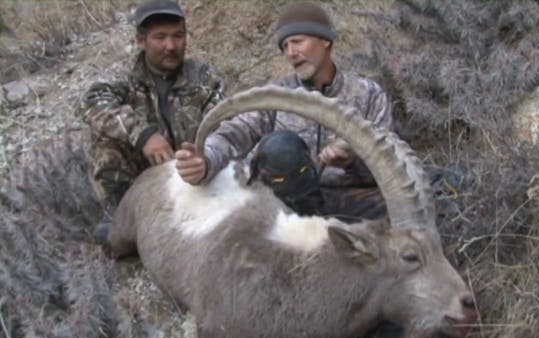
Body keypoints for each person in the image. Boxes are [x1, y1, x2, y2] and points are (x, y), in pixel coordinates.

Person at [175, 1, 394, 220]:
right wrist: (205, 160)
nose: (291, 52)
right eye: (285, 46)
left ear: (325, 40)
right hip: (287, 204)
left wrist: (351, 162)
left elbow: (389, 167)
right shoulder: (277, 96)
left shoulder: (369, 95)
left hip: (346, 198)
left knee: (422, 193)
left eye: (297, 42)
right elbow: (233, 133)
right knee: (282, 147)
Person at [78, 0, 225, 240]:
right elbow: (92, 103)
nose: (171, 46)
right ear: (140, 40)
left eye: (178, 36)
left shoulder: (204, 77)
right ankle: (120, 212)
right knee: (106, 132)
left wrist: (204, 158)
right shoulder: (122, 75)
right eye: (160, 37)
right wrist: (143, 136)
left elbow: (224, 120)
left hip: (192, 174)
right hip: (140, 179)